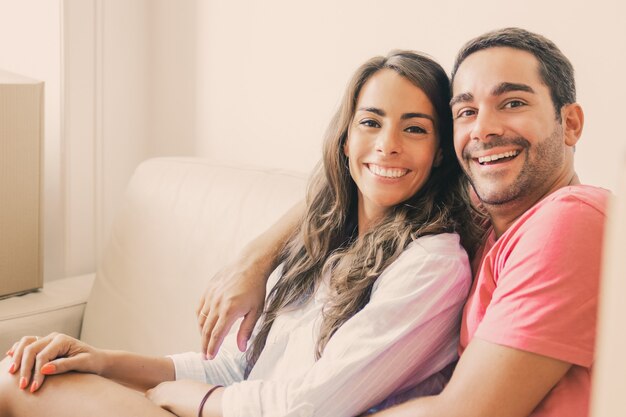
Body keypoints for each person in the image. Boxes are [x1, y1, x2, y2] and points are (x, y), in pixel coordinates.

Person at [0, 51, 484, 417]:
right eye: (371, 122)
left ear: (441, 153)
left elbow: (311, 407)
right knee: (29, 370)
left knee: (16, 381)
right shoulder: (325, 243)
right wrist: (104, 360)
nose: (387, 146)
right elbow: (242, 370)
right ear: (345, 138)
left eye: (415, 129)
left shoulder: (433, 264)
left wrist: (199, 401)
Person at [197, 28, 609, 417]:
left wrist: (314, 404)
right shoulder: (490, 218)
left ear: (570, 123)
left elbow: (461, 414)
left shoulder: (569, 219)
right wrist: (255, 260)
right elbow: (356, 180)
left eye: (513, 103)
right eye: (466, 111)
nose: (483, 128)